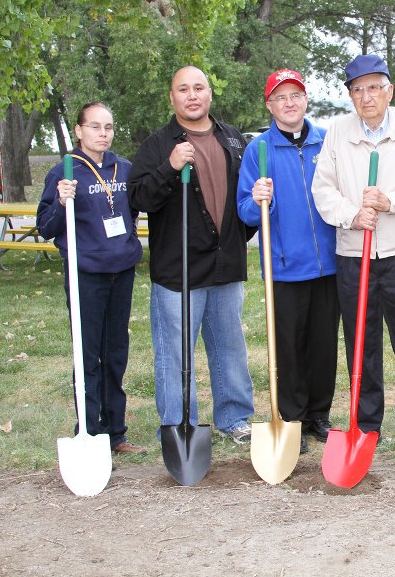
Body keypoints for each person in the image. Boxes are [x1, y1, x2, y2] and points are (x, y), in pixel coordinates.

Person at [311, 54, 395, 455]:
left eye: (373, 87)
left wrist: (392, 201)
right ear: (350, 95)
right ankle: (367, 425)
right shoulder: (338, 132)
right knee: (361, 343)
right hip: (355, 255)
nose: (366, 96)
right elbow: (323, 190)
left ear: (389, 90)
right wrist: (353, 215)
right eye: (357, 89)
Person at [129, 66, 255, 444]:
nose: (192, 95)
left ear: (210, 94)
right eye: (183, 89)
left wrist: (236, 238)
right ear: (172, 98)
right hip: (178, 269)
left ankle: (234, 419)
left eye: (199, 87)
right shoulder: (158, 144)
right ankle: (179, 423)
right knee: (174, 353)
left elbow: (246, 199)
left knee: (230, 346)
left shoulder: (233, 139)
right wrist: (169, 167)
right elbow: (138, 199)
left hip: (225, 264)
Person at [237, 68, 339, 455]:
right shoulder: (258, 150)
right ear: (270, 105)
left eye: (295, 95)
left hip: (329, 263)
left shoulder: (326, 143)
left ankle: (319, 415)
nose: (289, 103)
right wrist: (261, 196)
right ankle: (292, 416)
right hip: (283, 267)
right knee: (290, 346)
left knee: (323, 344)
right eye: (281, 97)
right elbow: (246, 210)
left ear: (306, 100)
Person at [37, 102, 146, 455]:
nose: (103, 133)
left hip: (121, 271)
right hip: (87, 273)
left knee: (115, 351)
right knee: (89, 355)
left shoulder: (124, 168)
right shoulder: (65, 172)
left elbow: (132, 210)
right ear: (79, 130)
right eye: (95, 127)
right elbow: (45, 227)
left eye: (109, 127)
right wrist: (60, 201)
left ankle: (116, 432)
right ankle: (90, 430)